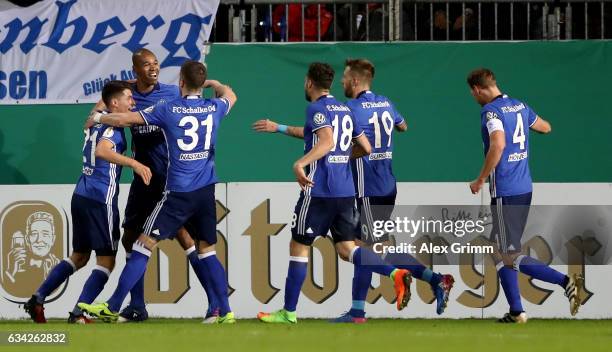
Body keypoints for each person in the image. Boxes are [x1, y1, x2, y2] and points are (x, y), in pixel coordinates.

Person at [78, 61, 237, 324]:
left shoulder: (168, 108)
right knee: (206, 250)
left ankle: (113, 305)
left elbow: (126, 118)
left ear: (181, 83)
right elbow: (230, 94)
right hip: (206, 191)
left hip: (177, 192)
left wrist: (98, 117)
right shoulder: (215, 107)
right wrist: (214, 84)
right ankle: (226, 311)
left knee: (142, 244)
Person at [253, 62, 411, 324]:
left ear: (308, 83)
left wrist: (300, 163)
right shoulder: (344, 110)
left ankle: (288, 312)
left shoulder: (316, 108)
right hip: (347, 193)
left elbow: (326, 141)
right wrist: (279, 128)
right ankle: (394, 274)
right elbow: (366, 147)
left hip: (319, 191)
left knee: (299, 245)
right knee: (347, 248)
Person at [329, 58, 455, 323]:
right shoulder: (386, 102)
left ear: (354, 81)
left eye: (344, 78)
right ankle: (436, 280)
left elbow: (360, 146)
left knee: (362, 248)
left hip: (368, 187)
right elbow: (403, 126)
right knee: (378, 249)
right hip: (388, 184)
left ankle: (357, 312)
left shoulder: (351, 108)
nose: (341, 81)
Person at [24, 81, 152, 324]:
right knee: (107, 261)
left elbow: (96, 112)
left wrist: (115, 91)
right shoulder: (112, 129)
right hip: (100, 199)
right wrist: (134, 163)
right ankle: (78, 313)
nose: (132, 102)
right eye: (128, 98)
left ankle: (38, 298)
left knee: (79, 256)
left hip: (81, 195)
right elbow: (102, 151)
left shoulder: (95, 119)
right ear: (115, 103)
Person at [467, 68, 584, 323]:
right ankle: (517, 311)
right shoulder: (519, 105)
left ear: (477, 89)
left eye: (472, 94)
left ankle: (566, 282)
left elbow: (498, 144)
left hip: (506, 189)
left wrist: (480, 178)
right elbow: (546, 127)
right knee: (500, 251)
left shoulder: (491, 111)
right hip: (524, 187)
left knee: (508, 253)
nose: (474, 98)